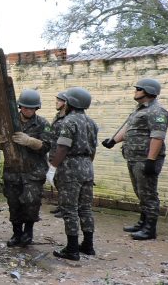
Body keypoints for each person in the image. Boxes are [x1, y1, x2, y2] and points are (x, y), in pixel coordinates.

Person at [101, 78, 168, 240]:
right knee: (140, 192)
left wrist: (151, 160)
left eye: (139, 89)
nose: (135, 91)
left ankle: (150, 229)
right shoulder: (140, 109)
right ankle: (142, 222)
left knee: (148, 194)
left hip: (145, 159)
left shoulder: (157, 111)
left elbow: (157, 137)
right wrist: (114, 141)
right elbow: (129, 129)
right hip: (133, 157)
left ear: (148, 92)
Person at [0, 89, 52, 247]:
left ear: (36, 108)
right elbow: (1, 145)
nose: (28, 110)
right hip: (13, 171)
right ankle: (16, 233)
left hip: (34, 172)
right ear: (20, 107)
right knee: (14, 204)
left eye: (31, 108)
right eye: (25, 107)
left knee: (31, 203)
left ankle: (28, 232)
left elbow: (47, 146)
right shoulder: (10, 122)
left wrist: (30, 141)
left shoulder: (43, 124)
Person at [49, 87, 99, 261]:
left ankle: (71, 249)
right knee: (85, 208)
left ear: (71, 103)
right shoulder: (91, 123)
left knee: (69, 209)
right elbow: (93, 149)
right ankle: (88, 245)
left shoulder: (69, 122)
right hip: (87, 167)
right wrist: (86, 166)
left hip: (70, 168)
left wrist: (53, 167)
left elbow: (63, 146)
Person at [49, 91, 68, 218]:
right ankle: (61, 205)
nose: (56, 102)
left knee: (65, 183)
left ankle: (66, 208)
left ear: (65, 103)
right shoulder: (57, 117)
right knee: (57, 181)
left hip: (63, 155)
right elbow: (49, 130)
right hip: (53, 152)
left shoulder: (68, 119)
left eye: (59, 100)